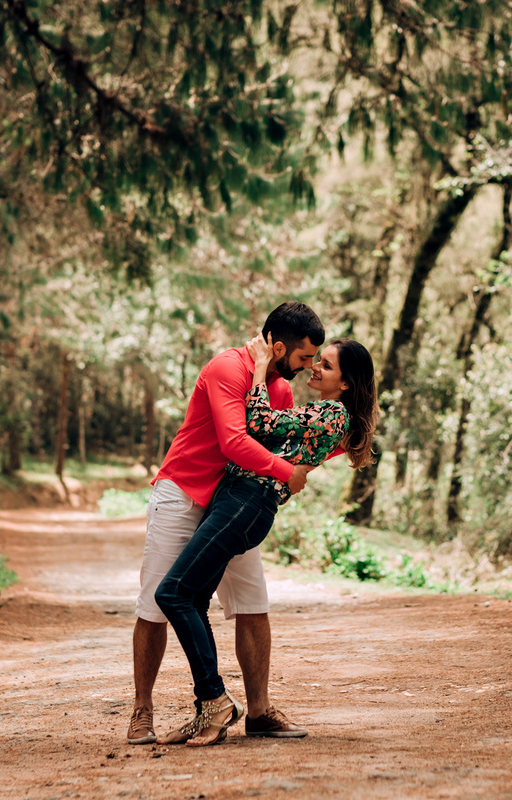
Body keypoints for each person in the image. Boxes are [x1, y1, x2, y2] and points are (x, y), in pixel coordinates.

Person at [154, 334, 378, 746]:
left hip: (247, 502)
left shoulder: (334, 414)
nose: (315, 367)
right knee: (192, 598)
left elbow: (258, 424)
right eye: (316, 360)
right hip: (235, 498)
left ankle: (215, 700)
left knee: (173, 593)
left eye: (326, 365)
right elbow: (275, 441)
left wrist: (258, 368)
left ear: (346, 383)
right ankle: (209, 710)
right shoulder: (322, 412)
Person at [127, 302, 325, 746]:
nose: (307, 366)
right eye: (305, 356)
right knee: (156, 603)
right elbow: (235, 441)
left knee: (252, 602)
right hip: (183, 493)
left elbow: (272, 446)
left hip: (231, 503)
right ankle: (142, 710)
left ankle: (259, 712)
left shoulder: (280, 391)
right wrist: (286, 473)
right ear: (278, 347)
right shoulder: (227, 368)